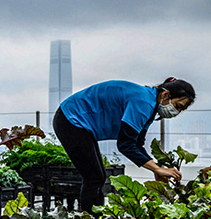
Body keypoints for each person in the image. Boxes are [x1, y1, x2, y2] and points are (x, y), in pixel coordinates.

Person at [53, 78, 196, 212]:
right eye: (177, 106)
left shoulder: (150, 105)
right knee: (93, 177)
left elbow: (137, 144)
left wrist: (156, 170)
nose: (176, 112)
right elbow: (125, 144)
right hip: (70, 119)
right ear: (166, 94)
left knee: (100, 176)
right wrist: (157, 168)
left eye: (180, 110)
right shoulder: (143, 103)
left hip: (79, 124)